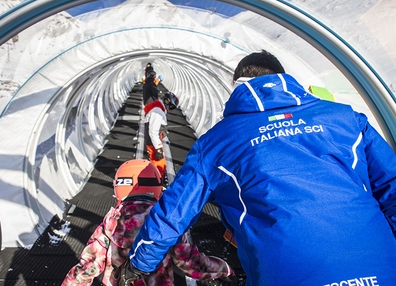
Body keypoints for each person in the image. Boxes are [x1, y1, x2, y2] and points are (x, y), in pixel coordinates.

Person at [117, 50, 396, 286]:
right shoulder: (346, 118)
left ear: (236, 85)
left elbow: (173, 214)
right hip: (383, 267)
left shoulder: (217, 142)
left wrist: (140, 262)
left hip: (288, 273)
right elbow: (391, 186)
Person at [61, 159, 236, 286]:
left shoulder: (110, 223)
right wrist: (225, 269)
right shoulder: (166, 222)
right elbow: (193, 265)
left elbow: (87, 268)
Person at [144, 92, 179, 181]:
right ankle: (156, 183)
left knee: (159, 164)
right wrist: (158, 148)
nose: (170, 110)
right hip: (153, 143)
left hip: (154, 142)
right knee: (158, 164)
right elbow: (153, 131)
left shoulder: (158, 109)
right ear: (167, 102)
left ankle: (157, 181)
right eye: (171, 107)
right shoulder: (157, 111)